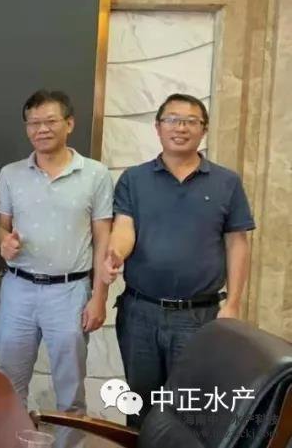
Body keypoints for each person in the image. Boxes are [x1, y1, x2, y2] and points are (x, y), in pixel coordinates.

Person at [102, 93, 255, 427]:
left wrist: (233, 304)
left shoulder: (227, 182)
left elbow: (237, 243)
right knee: (140, 405)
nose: (180, 128)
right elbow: (124, 227)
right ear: (158, 127)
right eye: (172, 119)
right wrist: (116, 252)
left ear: (204, 130)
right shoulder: (134, 179)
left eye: (190, 121)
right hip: (140, 312)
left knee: (192, 409)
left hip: (199, 316)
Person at [0, 89, 112, 413]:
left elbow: (103, 237)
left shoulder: (96, 174)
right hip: (18, 288)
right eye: (33, 123)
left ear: (69, 124)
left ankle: (69, 438)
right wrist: (4, 241)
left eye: (50, 121)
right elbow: (0, 225)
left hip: (70, 291)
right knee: (8, 385)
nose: (41, 129)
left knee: (70, 391)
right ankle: (11, 437)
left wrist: (100, 297)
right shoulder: (10, 173)